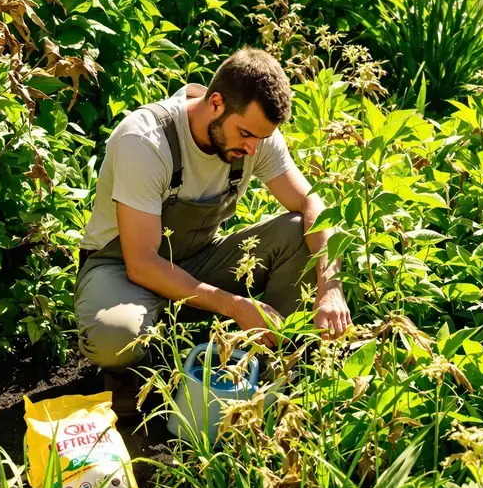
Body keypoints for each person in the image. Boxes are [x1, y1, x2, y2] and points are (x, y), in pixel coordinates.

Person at [74, 47, 350, 419]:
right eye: (246, 134)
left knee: (298, 230)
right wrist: (232, 305)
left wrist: (330, 288)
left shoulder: (254, 137)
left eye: (260, 138)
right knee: (115, 336)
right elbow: (141, 263)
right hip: (121, 269)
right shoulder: (146, 140)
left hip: (198, 259)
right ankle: (137, 373)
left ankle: (270, 367)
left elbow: (311, 203)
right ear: (216, 103)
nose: (252, 148)